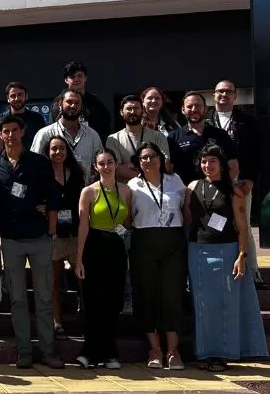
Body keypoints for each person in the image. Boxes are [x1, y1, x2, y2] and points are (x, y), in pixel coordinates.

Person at [0, 116, 64, 369]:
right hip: (11, 240)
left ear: (23, 132)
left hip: (39, 238)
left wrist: (51, 233)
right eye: (6, 131)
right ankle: (25, 352)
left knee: (43, 297)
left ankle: (49, 350)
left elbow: (53, 199)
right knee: (18, 299)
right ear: (0, 135)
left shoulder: (39, 163)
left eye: (14, 131)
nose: (10, 135)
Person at [187, 145, 267, 371]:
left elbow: (242, 227)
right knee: (202, 305)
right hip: (197, 250)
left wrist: (242, 256)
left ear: (221, 164)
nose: (207, 166)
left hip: (227, 249)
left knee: (226, 304)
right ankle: (204, 354)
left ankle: (222, 354)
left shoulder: (234, 191)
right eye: (204, 161)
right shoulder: (192, 187)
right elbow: (186, 218)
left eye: (212, 161)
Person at [128, 142, 191, 370]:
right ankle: (155, 349)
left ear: (161, 159)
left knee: (173, 294)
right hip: (144, 242)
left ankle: (173, 351)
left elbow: (187, 211)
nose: (149, 160)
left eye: (153, 156)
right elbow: (127, 217)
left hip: (173, 242)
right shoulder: (133, 186)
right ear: (139, 162)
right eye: (144, 157)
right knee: (147, 294)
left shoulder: (175, 181)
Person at [74, 149, 131, 370]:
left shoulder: (126, 191)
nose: (106, 167)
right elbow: (83, 226)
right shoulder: (88, 192)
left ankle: (109, 352)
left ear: (116, 164)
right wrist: (78, 259)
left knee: (113, 301)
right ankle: (90, 351)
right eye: (101, 163)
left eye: (110, 162)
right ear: (95, 167)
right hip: (94, 246)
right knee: (92, 301)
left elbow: (126, 222)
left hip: (116, 247)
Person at [208, 79, 266, 289]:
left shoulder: (247, 122)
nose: (223, 95)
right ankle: (219, 271)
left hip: (240, 184)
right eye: (219, 92)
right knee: (213, 225)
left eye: (228, 92)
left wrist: (250, 178)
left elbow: (256, 153)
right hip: (212, 184)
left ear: (235, 96)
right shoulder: (206, 121)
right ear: (213, 95)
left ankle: (253, 273)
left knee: (244, 227)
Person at [46, 136, 84, 339]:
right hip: (54, 235)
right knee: (54, 281)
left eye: (61, 148)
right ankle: (56, 321)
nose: (58, 152)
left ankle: (86, 317)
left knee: (82, 279)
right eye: (54, 149)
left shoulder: (77, 173)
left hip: (76, 233)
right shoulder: (43, 173)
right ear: (48, 152)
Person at [167, 92, 237, 186]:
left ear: (205, 109)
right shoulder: (173, 137)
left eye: (197, 106)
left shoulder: (220, 134)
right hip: (185, 192)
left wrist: (226, 187)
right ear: (183, 110)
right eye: (189, 106)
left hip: (217, 191)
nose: (194, 109)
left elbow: (232, 164)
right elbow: (169, 169)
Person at [32, 90, 103, 181]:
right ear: (60, 104)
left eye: (77, 103)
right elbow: (34, 166)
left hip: (85, 193)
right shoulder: (45, 134)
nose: (73, 106)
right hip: (53, 193)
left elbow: (100, 166)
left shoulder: (92, 135)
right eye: (69, 102)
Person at [106, 94, 170, 182]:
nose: (132, 112)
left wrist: (129, 166)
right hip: (127, 191)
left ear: (142, 111)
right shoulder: (113, 139)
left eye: (136, 108)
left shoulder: (158, 136)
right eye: (129, 109)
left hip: (155, 190)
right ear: (121, 112)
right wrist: (149, 170)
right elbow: (116, 170)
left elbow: (165, 164)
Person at [49, 61, 112, 139]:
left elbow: (105, 129)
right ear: (66, 80)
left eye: (79, 76)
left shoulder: (96, 103)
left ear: (85, 78)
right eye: (72, 77)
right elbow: (52, 130)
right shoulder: (58, 102)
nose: (76, 79)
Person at [0, 82, 47, 149]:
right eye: (13, 96)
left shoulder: (37, 119)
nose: (17, 99)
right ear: (8, 99)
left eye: (20, 95)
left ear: (26, 97)